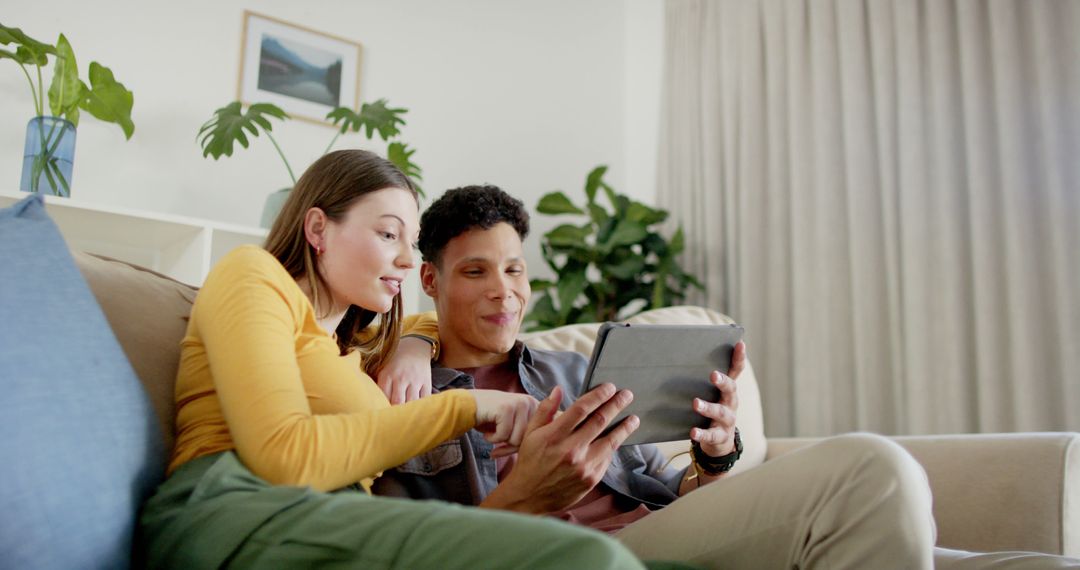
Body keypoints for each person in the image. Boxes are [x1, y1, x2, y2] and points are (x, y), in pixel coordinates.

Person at [374, 184, 1080, 569]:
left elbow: (674, 488)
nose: (504, 291)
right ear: (429, 280)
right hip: (591, 554)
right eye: (476, 272)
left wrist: (714, 454)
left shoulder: (570, 368)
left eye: (515, 268)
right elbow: (418, 552)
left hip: (665, 528)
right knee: (871, 469)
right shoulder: (402, 399)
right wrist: (527, 494)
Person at [138, 151, 671, 570]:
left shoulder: (356, 349)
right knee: (590, 559)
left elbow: (447, 321)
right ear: (317, 229)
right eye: (388, 233)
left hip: (335, 516)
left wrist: (418, 344)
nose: (404, 258)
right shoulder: (253, 276)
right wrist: (465, 405)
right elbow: (286, 457)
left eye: (410, 243)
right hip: (231, 507)